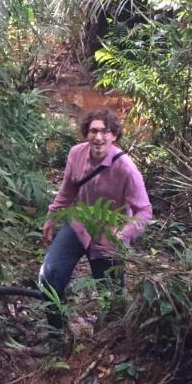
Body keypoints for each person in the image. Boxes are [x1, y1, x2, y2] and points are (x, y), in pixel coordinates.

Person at [39, 107, 152, 331]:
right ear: (86, 133)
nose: (99, 137)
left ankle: (104, 344)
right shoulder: (75, 154)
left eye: (105, 131)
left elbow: (144, 210)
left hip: (110, 236)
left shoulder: (126, 168)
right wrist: (52, 217)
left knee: (111, 298)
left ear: (114, 135)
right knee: (50, 275)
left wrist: (123, 234)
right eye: (93, 131)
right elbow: (68, 189)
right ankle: (58, 335)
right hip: (79, 225)